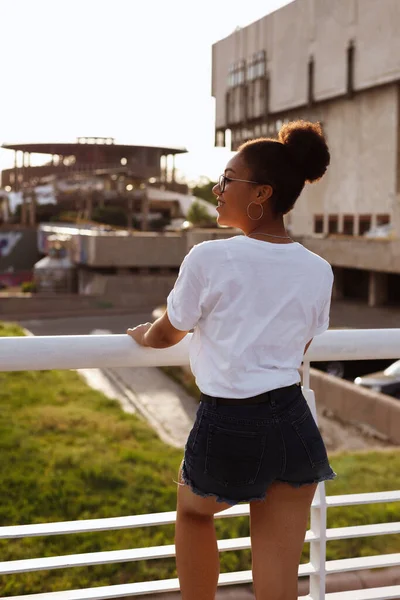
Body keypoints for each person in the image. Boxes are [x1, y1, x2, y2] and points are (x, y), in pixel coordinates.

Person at [127, 120, 336, 600]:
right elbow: (297, 346)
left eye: (227, 180)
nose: (217, 190)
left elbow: (166, 334)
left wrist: (143, 334)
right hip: (291, 420)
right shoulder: (318, 269)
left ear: (261, 192)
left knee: (193, 512)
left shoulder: (210, 257)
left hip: (231, 419)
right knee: (278, 577)